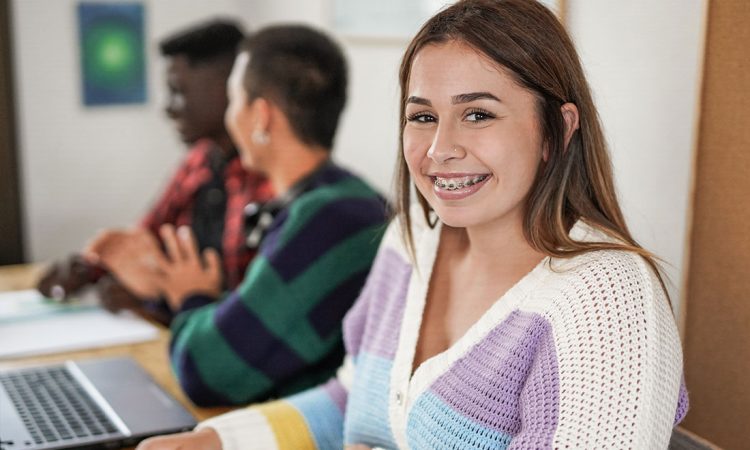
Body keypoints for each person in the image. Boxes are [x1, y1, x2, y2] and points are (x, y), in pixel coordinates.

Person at [137, 1, 688, 449]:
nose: (440, 149)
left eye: (478, 114)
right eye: (423, 116)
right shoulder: (411, 242)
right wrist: (213, 440)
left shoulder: (609, 302)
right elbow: (352, 399)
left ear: (556, 130)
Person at [92, 24, 389, 408]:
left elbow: (205, 373)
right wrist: (171, 293)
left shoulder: (329, 219)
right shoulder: (333, 200)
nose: (231, 117)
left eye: (234, 100)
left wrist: (190, 296)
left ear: (261, 117)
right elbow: (248, 323)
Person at [36, 20, 272, 324]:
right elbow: (148, 237)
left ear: (230, 87)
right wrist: (89, 270)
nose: (168, 108)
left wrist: (156, 302)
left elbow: (251, 309)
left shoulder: (268, 181)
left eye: (179, 92)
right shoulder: (200, 159)